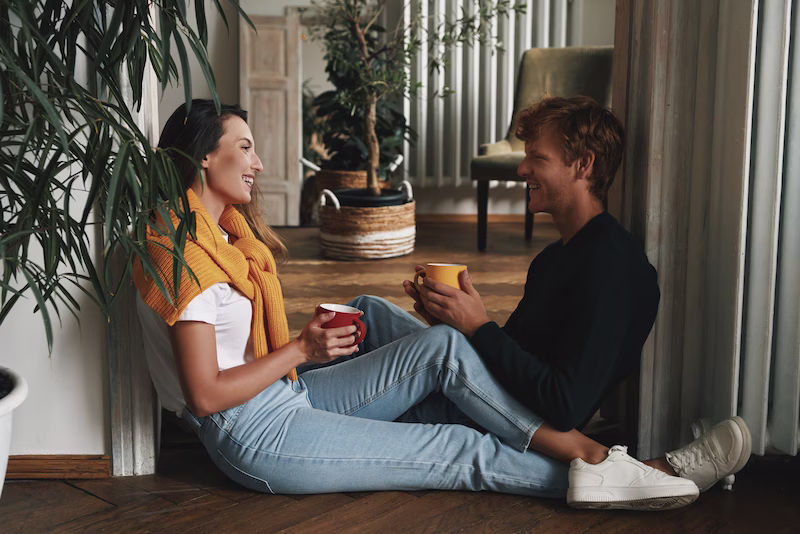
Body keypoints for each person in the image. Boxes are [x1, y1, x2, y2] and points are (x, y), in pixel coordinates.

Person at [134, 99, 699, 510]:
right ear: (204, 158)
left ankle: (585, 454)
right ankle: (615, 474)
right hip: (252, 434)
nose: (257, 163)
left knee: (434, 340)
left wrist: (463, 324)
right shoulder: (180, 252)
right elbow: (205, 396)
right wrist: (301, 348)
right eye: (245, 147)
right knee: (458, 447)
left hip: (282, 398)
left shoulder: (226, 240)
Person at [399, 95, 752, 503]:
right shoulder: (554, 259)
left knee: (401, 363)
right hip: (483, 397)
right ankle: (646, 470)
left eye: (537, 157)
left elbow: (565, 406)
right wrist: (454, 320)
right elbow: (507, 355)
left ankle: (651, 471)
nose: (521, 168)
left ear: (583, 164)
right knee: (371, 309)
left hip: (508, 422)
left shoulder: (614, 269)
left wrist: (477, 328)